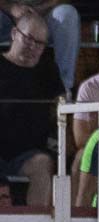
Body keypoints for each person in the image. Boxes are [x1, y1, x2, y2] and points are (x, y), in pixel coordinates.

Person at [0, 11, 61, 207]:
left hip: (28, 153)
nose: (33, 47)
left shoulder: (48, 69)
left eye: (40, 43)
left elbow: (60, 102)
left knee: (44, 164)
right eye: (28, 39)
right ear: (14, 34)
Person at [0, 0, 79, 91]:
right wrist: (11, 8)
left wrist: (42, 8)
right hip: (8, 15)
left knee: (67, 13)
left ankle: (63, 89)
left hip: (45, 15)